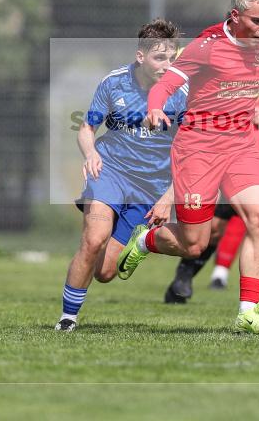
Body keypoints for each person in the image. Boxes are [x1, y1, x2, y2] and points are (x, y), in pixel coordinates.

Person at [119, 0, 259, 334]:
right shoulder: (207, 45)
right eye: (257, 22)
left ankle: (248, 311)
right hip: (198, 150)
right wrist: (155, 108)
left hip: (241, 147)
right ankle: (146, 240)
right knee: (193, 243)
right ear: (235, 15)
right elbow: (168, 83)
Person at [54, 19, 187, 332]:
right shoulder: (114, 83)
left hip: (149, 187)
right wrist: (91, 154)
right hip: (110, 172)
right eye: (160, 58)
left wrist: (168, 195)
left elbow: (188, 153)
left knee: (105, 272)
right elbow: (87, 128)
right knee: (93, 240)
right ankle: (67, 319)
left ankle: (140, 243)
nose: (167, 65)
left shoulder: (181, 94)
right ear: (141, 56)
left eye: (172, 58)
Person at [163, 32, 259, 303]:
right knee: (209, 229)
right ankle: (183, 273)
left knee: (249, 222)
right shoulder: (213, 56)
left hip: (245, 160)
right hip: (208, 154)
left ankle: (240, 304)